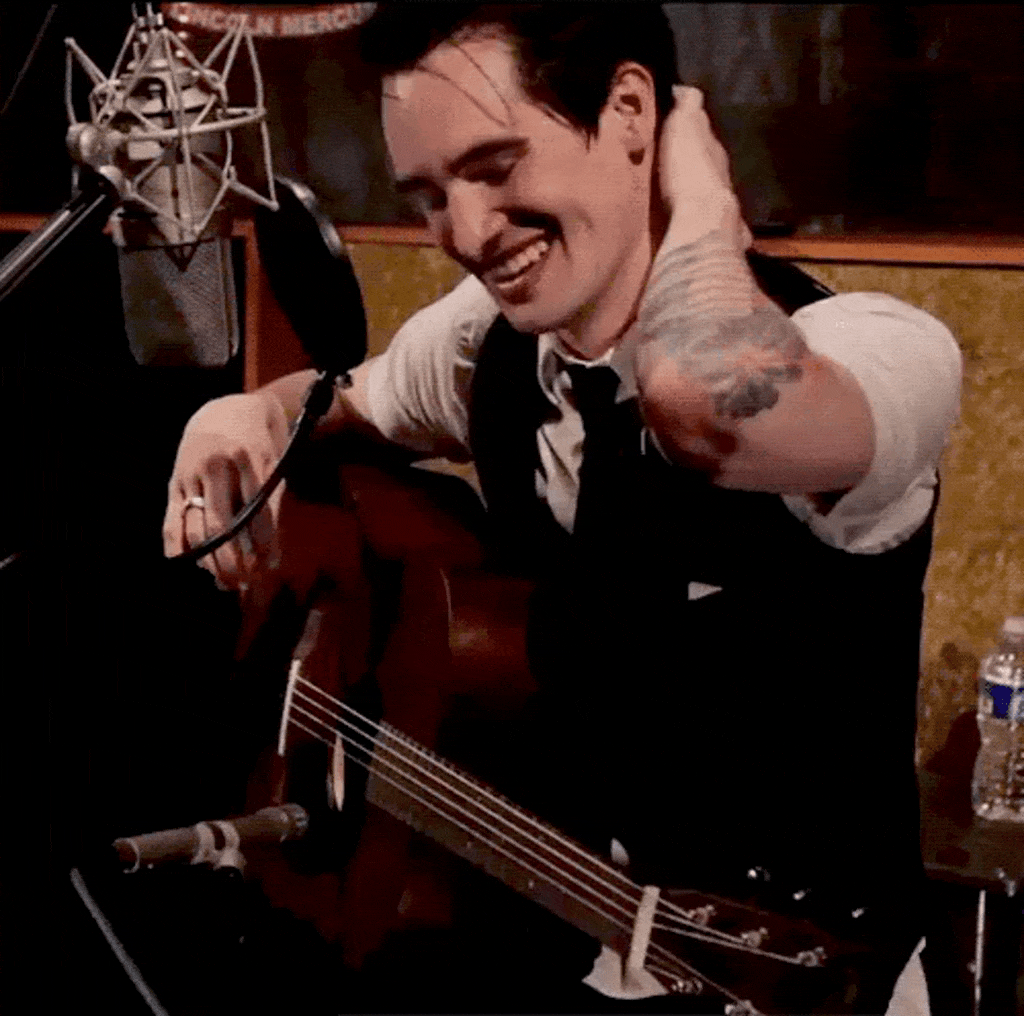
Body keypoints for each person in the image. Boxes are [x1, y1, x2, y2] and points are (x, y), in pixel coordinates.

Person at [163, 5, 961, 1013]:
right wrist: (235, 414)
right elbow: (332, 403)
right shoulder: (486, 342)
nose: (466, 234)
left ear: (629, 111)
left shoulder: (880, 349)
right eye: (428, 196)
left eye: (496, 167)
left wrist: (701, 202)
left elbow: (704, 407)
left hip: (808, 981)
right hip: (575, 960)